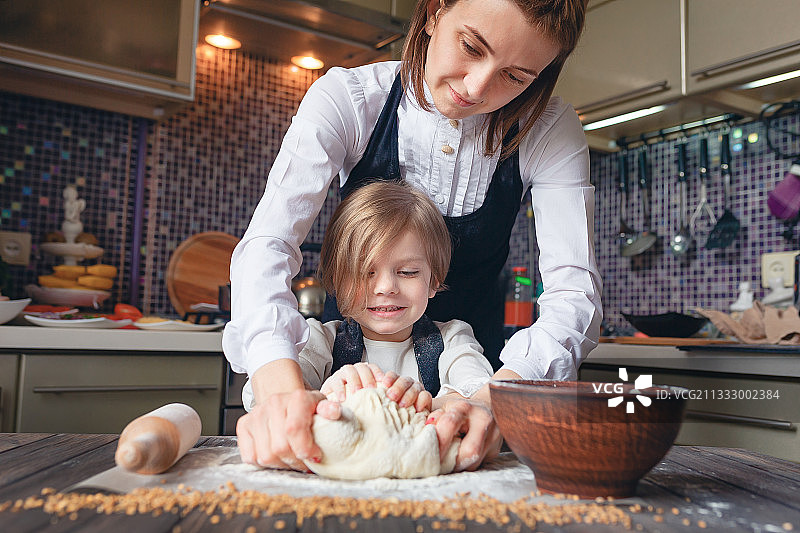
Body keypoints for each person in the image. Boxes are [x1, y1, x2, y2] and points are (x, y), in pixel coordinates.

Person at [224, 0, 602, 472]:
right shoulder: (349, 99)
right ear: (436, 11)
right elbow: (269, 246)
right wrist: (282, 395)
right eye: (471, 47)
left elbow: (574, 297)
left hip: (477, 379)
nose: (476, 87)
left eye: (515, 77)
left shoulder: (550, 129)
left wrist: (487, 402)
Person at [238, 182, 496, 470]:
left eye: (407, 272)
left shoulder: (453, 339)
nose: (385, 287)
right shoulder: (320, 340)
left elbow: (479, 394)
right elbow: (263, 397)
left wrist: (405, 402)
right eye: (365, 272)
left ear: (434, 280)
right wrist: (327, 395)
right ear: (337, 283)